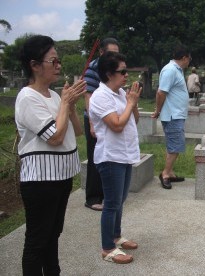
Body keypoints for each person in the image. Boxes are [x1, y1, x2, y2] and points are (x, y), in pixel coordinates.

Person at [15, 35, 87, 275]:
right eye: (53, 61)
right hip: (41, 180)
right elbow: (55, 138)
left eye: (58, 61)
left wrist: (71, 105)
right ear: (35, 65)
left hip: (61, 176)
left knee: (53, 234)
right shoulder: (27, 97)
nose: (59, 66)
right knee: (37, 239)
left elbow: (76, 131)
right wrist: (65, 105)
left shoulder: (55, 96)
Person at [89, 51, 141, 264]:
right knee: (111, 203)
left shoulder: (120, 93)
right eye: (122, 71)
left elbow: (133, 120)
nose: (126, 75)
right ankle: (107, 247)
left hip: (124, 154)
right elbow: (117, 125)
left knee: (120, 201)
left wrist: (133, 102)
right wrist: (130, 103)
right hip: (110, 157)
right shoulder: (99, 97)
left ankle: (116, 236)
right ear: (109, 74)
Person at [83, 38, 120, 211]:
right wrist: (92, 123)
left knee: (108, 156)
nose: (113, 56)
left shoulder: (114, 69)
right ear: (101, 52)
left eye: (116, 53)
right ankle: (92, 197)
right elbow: (88, 96)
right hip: (95, 119)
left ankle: (106, 194)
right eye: (110, 52)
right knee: (95, 157)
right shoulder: (93, 68)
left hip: (110, 117)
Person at [152, 45, 191, 189]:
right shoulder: (170, 70)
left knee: (174, 145)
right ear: (184, 57)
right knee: (176, 146)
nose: (189, 62)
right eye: (189, 58)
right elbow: (161, 93)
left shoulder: (176, 70)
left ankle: (170, 172)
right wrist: (158, 110)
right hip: (172, 115)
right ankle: (166, 174)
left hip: (176, 114)